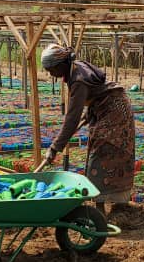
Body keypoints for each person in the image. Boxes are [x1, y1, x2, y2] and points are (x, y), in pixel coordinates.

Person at [41, 44, 136, 216]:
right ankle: (109, 206)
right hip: (109, 107)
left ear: (60, 65)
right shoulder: (75, 67)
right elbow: (96, 91)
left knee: (101, 154)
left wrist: (55, 147)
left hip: (114, 112)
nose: (51, 74)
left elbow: (71, 118)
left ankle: (102, 209)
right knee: (104, 151)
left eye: (51, 70)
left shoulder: (77, 79)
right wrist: (90, 110)